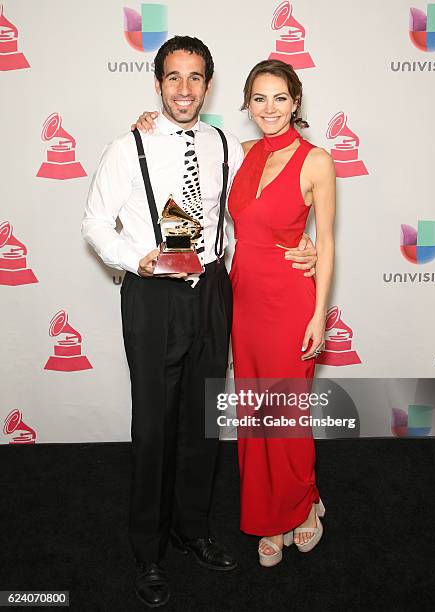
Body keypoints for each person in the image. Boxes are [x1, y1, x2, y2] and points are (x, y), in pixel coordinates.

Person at [83, 37, 318, 608]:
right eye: (173, 78)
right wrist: (131, 257)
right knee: (156, 427)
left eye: (194, 79)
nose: (184, 89)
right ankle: (149, 551)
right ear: (158, 84)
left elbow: (255, 207)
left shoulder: (223, 144)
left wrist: (302, 247)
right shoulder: (126, 147)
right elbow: (95, 223)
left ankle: (193, 531)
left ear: (208, 85)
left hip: (214, 291)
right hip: (153, 295)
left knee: (203, 422)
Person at [135, 58, 335, 569]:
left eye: (281, 98)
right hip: (241, 297)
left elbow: (327, 243)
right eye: (260, 99)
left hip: (290, 300)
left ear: (296, 102)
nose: (270, 109)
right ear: (247, 104)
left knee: (287, 410)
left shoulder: (317, 161)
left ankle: (302, 504)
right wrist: (145, 124)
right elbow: (178, 150)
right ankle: (269, 518)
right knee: (254, 409)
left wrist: (319, 314)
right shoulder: (237, 151)